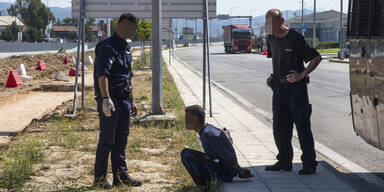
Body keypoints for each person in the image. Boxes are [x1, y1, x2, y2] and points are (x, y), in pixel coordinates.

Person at [264, 9, 322, 175]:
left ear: (281, 21)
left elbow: (316, 58)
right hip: (279, 89)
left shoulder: (295, 38)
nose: (270, 27)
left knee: (302, 126)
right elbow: (277, 60)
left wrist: (301, 75)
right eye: (268, 24)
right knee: (280, 127)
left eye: (273, 23)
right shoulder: (271, 38)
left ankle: (309, 164)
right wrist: (273, 78)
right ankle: (284, 161)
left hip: (297, 90)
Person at [93, 13, 141, 189]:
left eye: (132, 27)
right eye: (126, 25)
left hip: (124, 101)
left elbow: (128, 77)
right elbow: (102, 75)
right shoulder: (106, 47)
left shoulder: (126, 48)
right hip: (110, 101)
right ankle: (99, 179)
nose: (129, 29)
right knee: (107, 141)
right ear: (118, 26)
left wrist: (132, 100)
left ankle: (121, 177)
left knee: (121, 141)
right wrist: (105, 99)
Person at [181, 105, 253, 188]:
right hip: (221, 168)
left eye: (187, 117)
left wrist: (239, 169)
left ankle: (203, 185)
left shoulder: (208, 134)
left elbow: (227, 155)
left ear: (195, 118)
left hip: (225, 173)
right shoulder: (207, 130)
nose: (185, 120)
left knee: (186, 154)